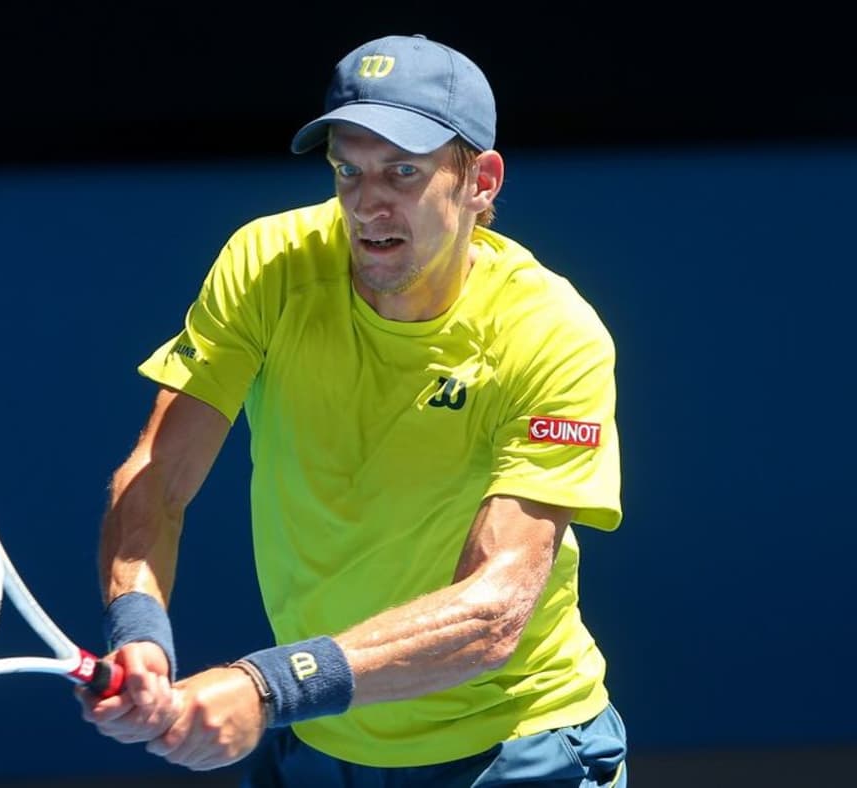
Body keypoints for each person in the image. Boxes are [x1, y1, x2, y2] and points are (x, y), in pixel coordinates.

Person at [80, 32, 628, 787]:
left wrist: (269, 687)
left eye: (403, 171)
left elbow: (494, 609)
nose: (369, 202)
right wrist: (139, 627)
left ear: (481, 181)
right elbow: (157, 475)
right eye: (349, 169)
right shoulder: (268, 265)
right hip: (321, 740)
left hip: (514, 749)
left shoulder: (552, 333)